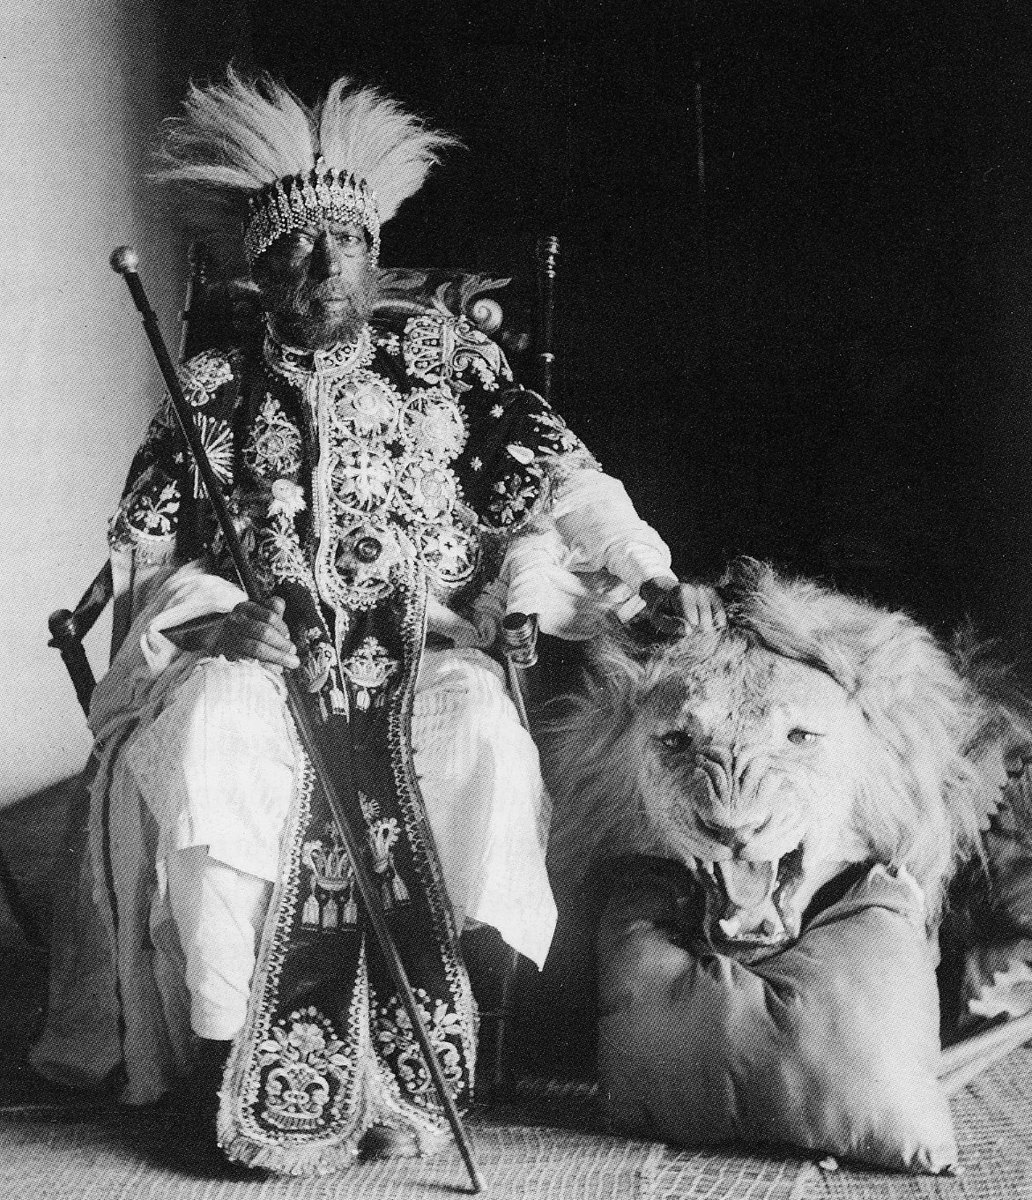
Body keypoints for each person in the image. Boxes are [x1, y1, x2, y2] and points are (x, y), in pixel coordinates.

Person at [31, 71, 725, 1175]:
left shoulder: (448, 366)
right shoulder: (210, 388)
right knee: (210, 733)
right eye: (292, 256)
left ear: (372, 246)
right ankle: (226, 1045)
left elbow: (570, 489)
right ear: (256, 272)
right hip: (265, 669)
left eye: (340, 246)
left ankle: (430, 1046)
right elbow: (148, 568)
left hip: (423, 653)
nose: (319, 273)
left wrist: (649, 580)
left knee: (480, 735)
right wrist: (216, 626)